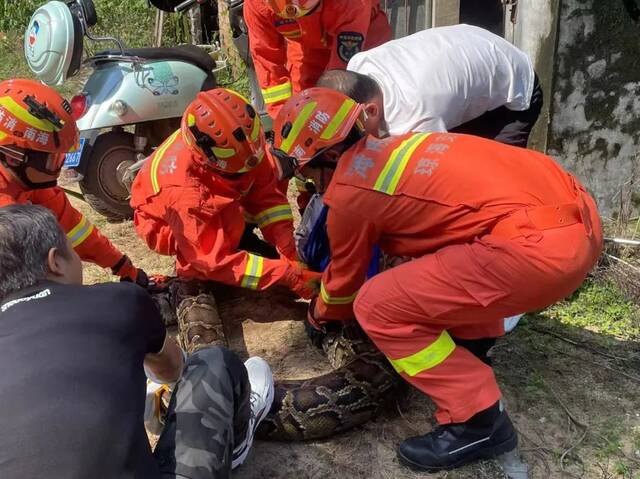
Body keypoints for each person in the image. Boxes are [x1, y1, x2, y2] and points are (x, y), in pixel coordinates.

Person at [270, 88, 603, 471]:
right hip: (580, 219)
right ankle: (472, 347)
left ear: (327, 156)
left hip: (539, 252)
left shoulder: (349, 194)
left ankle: (477, 421)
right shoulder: (406, 144)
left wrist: (318, 313)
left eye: (305, 170)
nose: (307, 180)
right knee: (442, 259)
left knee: (376, 304)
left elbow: (345, 284)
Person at [0, 204, 274, 479]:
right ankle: (234, 445)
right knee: (211, 362)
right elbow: (173, 368)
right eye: (73, 250)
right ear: (55, 261)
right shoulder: (118, 299)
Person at [130, 88, 320, 352]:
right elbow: (213, 260)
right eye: (239, 170)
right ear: (208, 160)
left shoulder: (240, 144)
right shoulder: (186, 192)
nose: (250, 168)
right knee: (206, 258)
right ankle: (187, 280)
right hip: (163, 223)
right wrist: (285, 274)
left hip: (215, 194)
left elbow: (266, 195)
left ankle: (237, 243)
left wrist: (287, 248)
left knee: (248, 201)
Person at [0, 78, 146, 284]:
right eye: (53, 159)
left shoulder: (25, 180)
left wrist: (123, 267)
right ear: (14, 155)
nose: (60, 167)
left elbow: (74, 228)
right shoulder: (5, 216)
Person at [317, 24, 544, 147]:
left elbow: (438, 171)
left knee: (489, 178)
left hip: (516, 89)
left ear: (371, 110)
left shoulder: (415, 117)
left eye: (353, 131)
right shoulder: (359, 65)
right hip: (477, 48)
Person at [244, 0, 391, 119]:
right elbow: (267, 60)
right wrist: (283, 117)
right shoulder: (256, 5)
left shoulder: (355, 3)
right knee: (301, 107)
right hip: (307, 46)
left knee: (366, 103)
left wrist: (328, 111)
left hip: (364, 36)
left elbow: (342, 73)